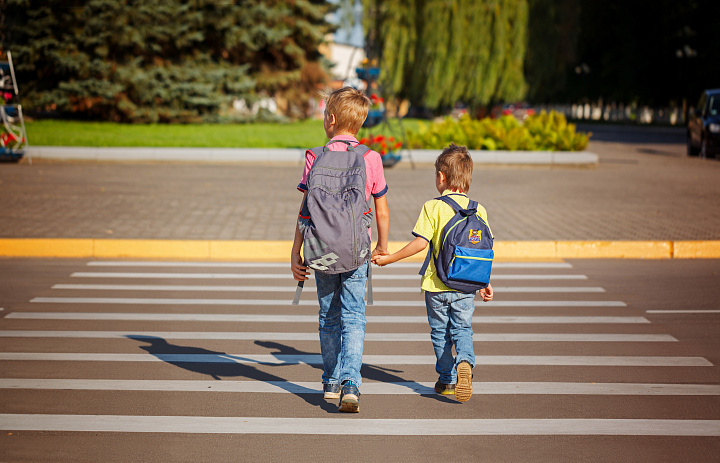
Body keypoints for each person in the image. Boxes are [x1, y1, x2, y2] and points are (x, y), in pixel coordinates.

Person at [291, 87, 390, 413]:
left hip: (321, 252)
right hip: (356, 251)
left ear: (331, 120)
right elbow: (382, 211)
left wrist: (296, 252)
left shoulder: (314, 156)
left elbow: (305, 210)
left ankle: (331, 382)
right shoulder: (370, 158)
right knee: (354, 318)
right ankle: (351, 383)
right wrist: (382, 247)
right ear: (359, 123)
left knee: (328, 318)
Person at [372, 143, 493, 402]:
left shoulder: (433, 207)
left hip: (436, 285)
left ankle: (447, 379)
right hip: (467, 285)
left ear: (441, 176)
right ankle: (466, 363)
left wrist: (389, 258)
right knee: (462, 328)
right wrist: (484, 282)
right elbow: (480, 251)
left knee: (440, 332)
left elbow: (421, 243)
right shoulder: (478, 209)